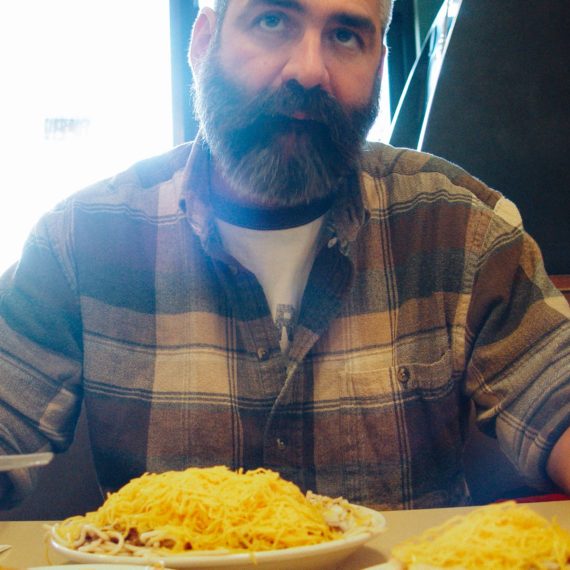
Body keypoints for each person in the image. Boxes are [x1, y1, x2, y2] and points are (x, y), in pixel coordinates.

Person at [0, 0, 568, 510]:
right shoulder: (80, 242)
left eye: (346, 35)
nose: (308, 69)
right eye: (272, 21)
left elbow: (558, 402)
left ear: (377, 63)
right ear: (202, 43)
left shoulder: (460, 228)